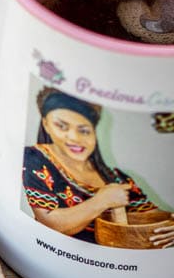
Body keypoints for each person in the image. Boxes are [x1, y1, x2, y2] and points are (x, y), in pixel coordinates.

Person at [22, 88, 174, 246]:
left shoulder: (116, 178)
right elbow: (50, 223)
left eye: (84, 131)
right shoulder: (34, 158)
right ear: (46, 124)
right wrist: (102, 200)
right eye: (62, 126)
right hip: (53, 255)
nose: (74, 137)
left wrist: (170, 224)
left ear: (95, 132)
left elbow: (152, 218)